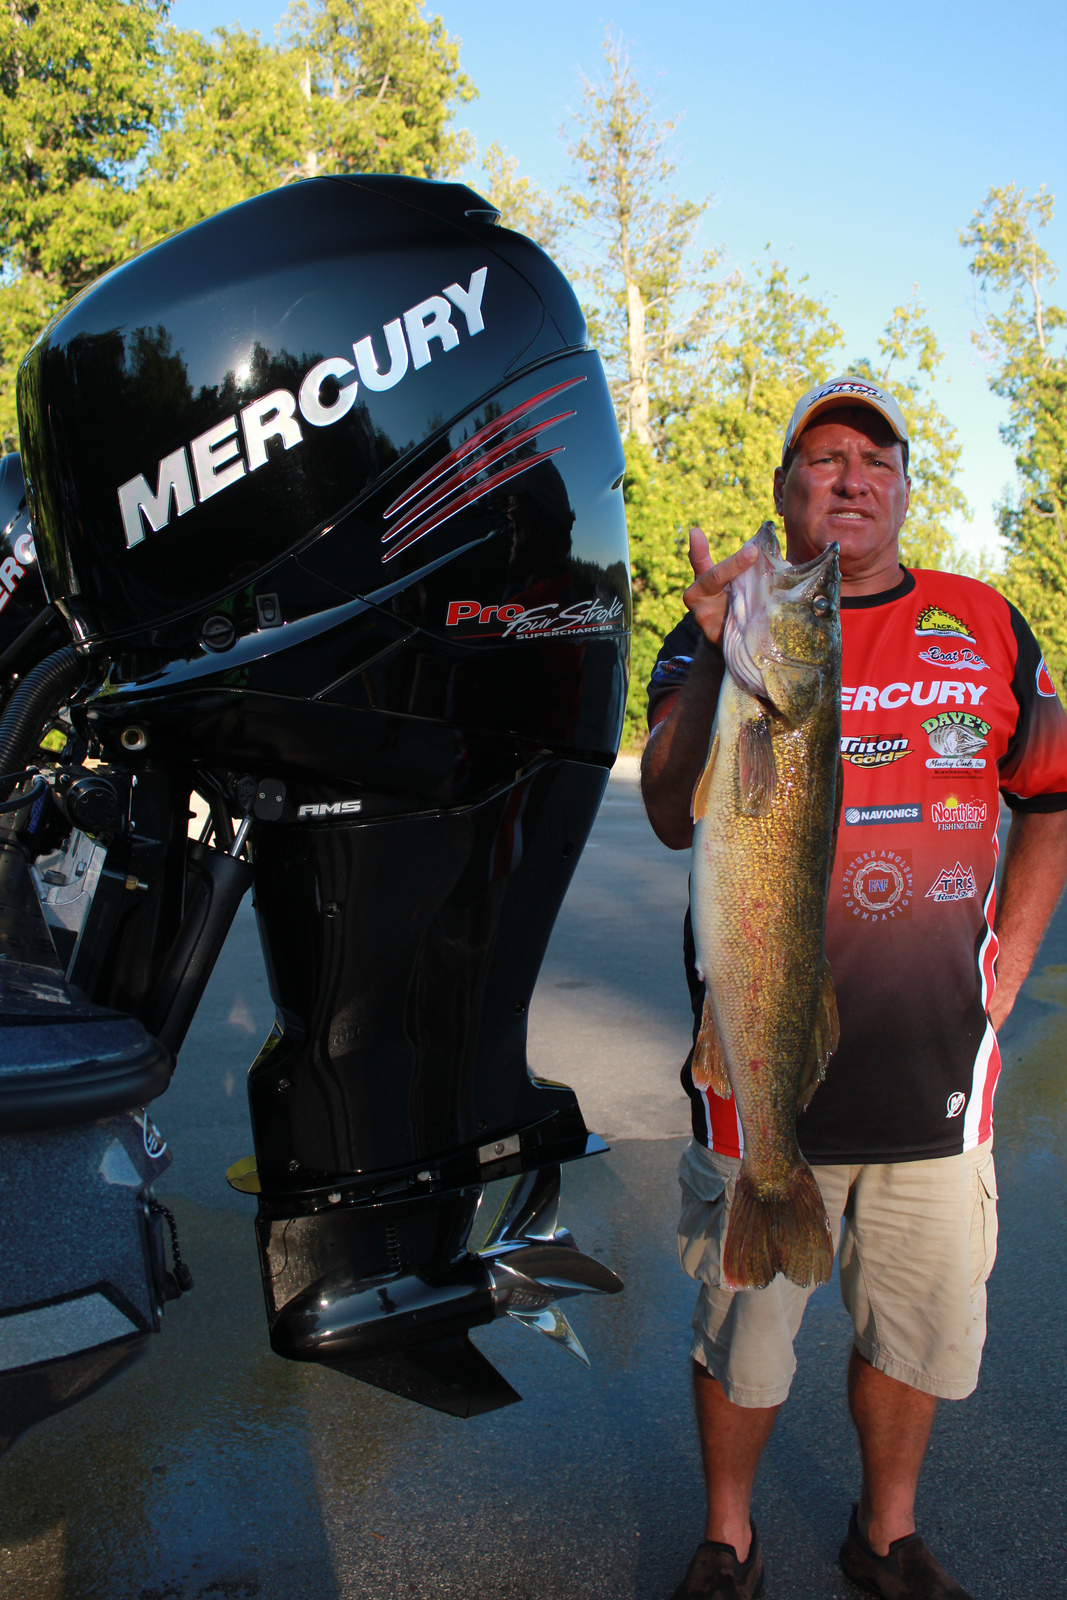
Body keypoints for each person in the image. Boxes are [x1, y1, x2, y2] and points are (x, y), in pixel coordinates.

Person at [641, 375, 1067, 1600]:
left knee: (912, 1331)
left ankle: (884, 1532)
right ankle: (728, 1536)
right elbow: (672, 806)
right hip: (757, 1065)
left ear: (900, 490)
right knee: (741, 1332)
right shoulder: (730, 624)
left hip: (937, 1072)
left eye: (871, 459)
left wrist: (1012, 966)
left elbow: (1046, 795)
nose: (847, 476)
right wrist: (725, 654)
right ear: (785, 491)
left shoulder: (984, 622)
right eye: (820, 457)